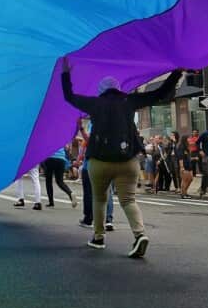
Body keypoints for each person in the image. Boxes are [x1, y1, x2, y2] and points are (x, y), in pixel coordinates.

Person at [60, 61, 180, 257]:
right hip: (128, 161)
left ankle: (98, 237)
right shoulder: (129, 101)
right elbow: (159, 93)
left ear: (102, 91)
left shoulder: (95, 103)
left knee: (99, 199)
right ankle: (139, 234)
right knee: (128, 199)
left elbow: (69, 96)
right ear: (118, 89)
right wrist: (177, 72)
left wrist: (66, 72)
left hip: (99, 161)